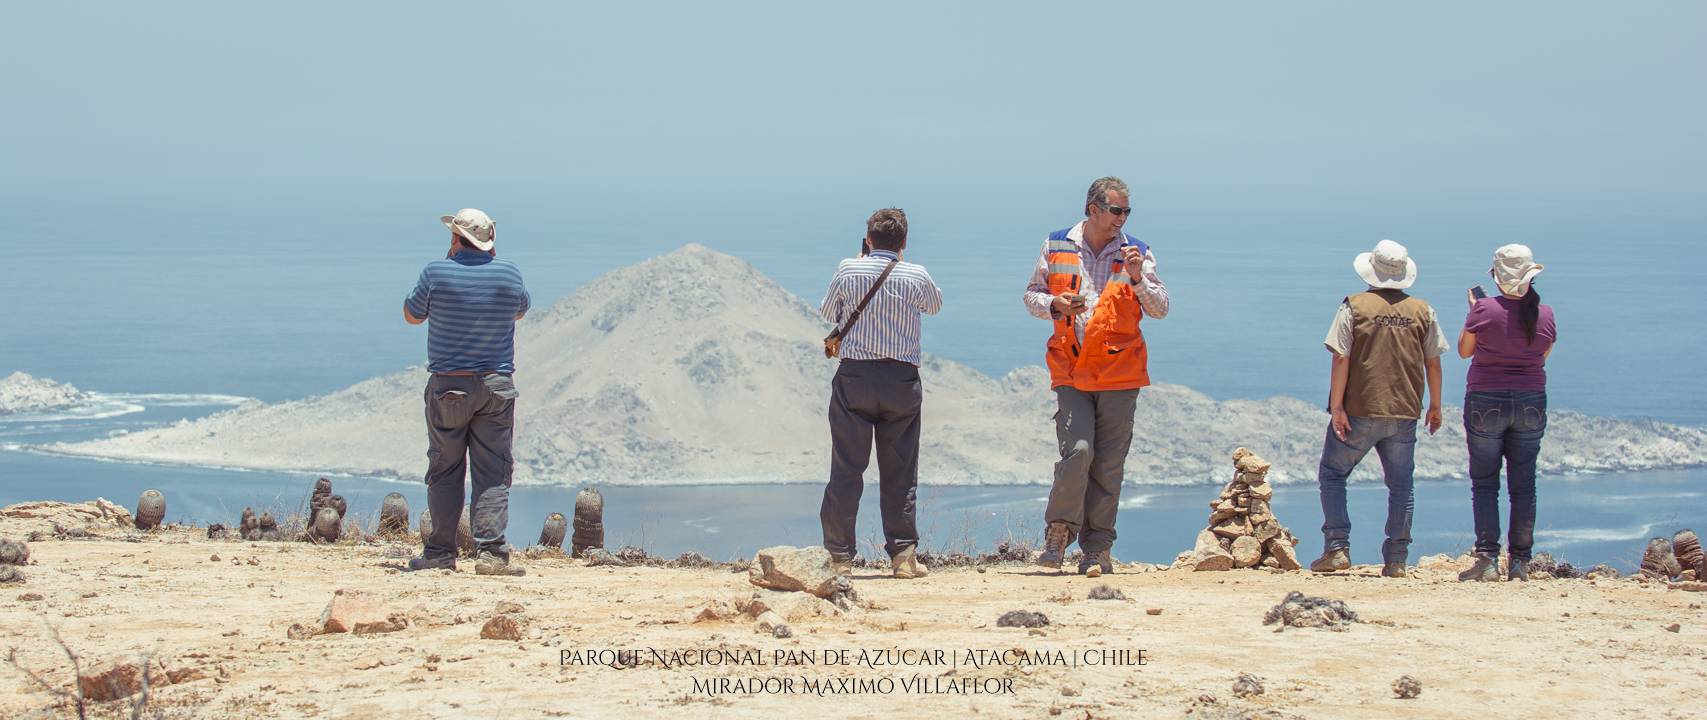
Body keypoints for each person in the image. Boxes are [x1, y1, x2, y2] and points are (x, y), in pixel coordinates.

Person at [1022, 177, 1169, 577]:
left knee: (1108, 464)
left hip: (1119, 375)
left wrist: (1138, 279)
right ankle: (1058, 534)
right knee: (1079, 451)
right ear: (1093, 210)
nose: (1122, 219)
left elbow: (1160, 308)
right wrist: (1055, 304)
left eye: (1126, 212)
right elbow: (1032, 296)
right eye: (1116, 211)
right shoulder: (1057, 244)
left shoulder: (1136, 252)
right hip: (1071, 370)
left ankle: (1098, 549)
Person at [402, 208, 531, 576]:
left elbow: (412, 315)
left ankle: (440, 553)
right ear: (490, 242)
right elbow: (519, 312)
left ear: (455, 238)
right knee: (493, 471)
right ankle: (491, 555)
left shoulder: (436, 272)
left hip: (449, 386)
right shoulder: (509, 272)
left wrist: (450, 268)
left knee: (445, 469)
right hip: (496, 386)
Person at [1312, 239, 1449, 579]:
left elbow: (1341, 357)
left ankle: (1337, 549)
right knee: (1402, 485)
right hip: (1405, 411)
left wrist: (1337, 406)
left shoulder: (1354, 306)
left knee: (1333, 474)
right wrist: (1435, 405)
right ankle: (1397, 560)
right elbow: (1433, 362)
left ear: (1371, 270)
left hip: (1360, 408)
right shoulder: (1423, 310)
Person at [820, 208, 943, 580]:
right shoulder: (916, 274)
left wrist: (859, 270)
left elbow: (828, 313)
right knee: (900, 472)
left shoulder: (848, 269)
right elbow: (934, 306)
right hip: (901, 381)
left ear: (869, 239)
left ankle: (840, 559)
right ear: (904, 242)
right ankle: (903, 557)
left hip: (855, 377)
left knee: (847, 468)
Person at [1456, 245, 1554, 582]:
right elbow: (1541, 356)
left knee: (1485, 484)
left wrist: (1474, 312)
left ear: (1497, 278)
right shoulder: (1546, 314)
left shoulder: (1484, 308)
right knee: (1524, 486)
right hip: (1531, 401)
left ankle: (1487, 562)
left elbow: (1464, 351)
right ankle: (1520, 565)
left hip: (1486, 400)